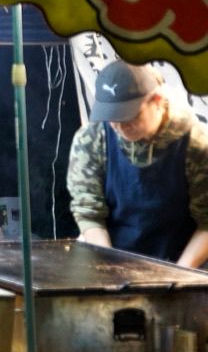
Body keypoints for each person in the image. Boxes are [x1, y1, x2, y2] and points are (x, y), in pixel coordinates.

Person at [67, 60, 208, 267]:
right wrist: (109, 268)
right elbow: (89, 212)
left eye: (128, 115)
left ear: (157, 101)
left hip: (181, 257)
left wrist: (179, 275)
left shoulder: (195, 143)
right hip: (113, 251)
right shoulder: (92, 138)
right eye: (111, 116)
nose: (119, 126)